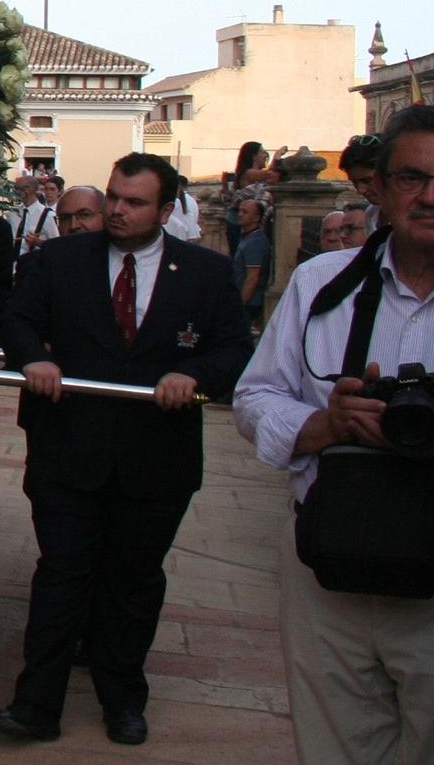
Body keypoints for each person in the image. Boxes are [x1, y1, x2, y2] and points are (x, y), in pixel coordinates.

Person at [0, 153, 253, 748]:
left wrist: (197, 373)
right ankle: (37, 703)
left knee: (132, 580)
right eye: (114, 197)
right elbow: (17, 319)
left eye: (134, 202)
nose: (117, 210)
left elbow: (234, 348)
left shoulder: (207, 274)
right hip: (70, 449)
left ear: (166, 209)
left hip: (156, 457)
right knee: (62, 573)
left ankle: (124, 700)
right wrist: (33, 355)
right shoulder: (57, 260)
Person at [233, 103, 434, 763]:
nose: (429, 196)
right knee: (334, 747)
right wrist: (325, 424)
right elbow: (255, 394)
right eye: (412, 178)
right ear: (378, 184)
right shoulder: (324, 285)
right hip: (330, 560)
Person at [224, 141, 284, 251]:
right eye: (262, 152)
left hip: (243, 221)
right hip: (239, 222)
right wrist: (277, 156)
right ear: (253, 156)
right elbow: (271, 174)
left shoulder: (252, 173)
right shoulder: (249, 173)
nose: (265, 155)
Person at [233, 197, 272, 332]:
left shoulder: (255, 242)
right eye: (240, 211)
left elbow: (252, 278)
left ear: (256, 218)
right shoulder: (247, 238)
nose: (240, 214)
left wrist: (239, 305)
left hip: (251, 302)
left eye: (245, 212)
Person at [10, 176, 59, 257]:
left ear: (27, 190)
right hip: (13, 265)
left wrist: (38, 242)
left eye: (17, 188)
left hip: (34, 264)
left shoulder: (48, 216)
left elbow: (56, 246)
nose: (14, 192)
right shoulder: (13, 213)